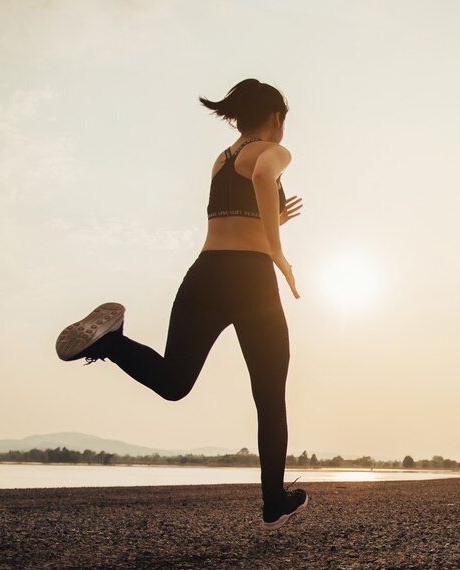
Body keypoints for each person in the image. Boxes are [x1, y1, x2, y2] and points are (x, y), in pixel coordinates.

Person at [55, 79, 308, 530]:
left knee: (174, 381)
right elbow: (266, 176)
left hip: (207, 273)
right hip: (251, 280)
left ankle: (111, 342)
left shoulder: (222, 160)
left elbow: (236, 214)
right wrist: (278, 252)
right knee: (270, 396)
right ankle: (273, 500)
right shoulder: (272, 151)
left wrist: (273, 219)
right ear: (276, 118)